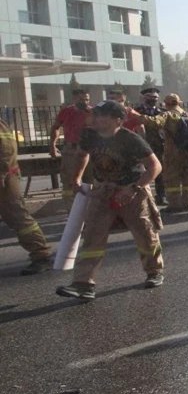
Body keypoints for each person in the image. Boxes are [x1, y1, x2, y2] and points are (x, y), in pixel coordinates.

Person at [56, 100, 164, 300]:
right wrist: (76, 178)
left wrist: (134, 188)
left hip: (131, 190)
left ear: (118, 120)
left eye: (102, 116)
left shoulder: (131, 139)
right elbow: (82, 155)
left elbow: (155, 166)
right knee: (92, 235)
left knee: (145, 233)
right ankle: (83, 284)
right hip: (103, 190)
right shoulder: (89, 135)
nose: (96, 119)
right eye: (96, 115)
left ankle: (154, 271)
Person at [0, 117, 53, 275]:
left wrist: (2, 173)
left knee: (17, 216)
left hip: (5, 177)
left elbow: (8, 149)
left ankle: (41, 255)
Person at [154, 93, 188, 212]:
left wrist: (136, 115)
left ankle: (174, 204)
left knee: (171, 179)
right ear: (179, 103)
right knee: (187, 179)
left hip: (173, 152)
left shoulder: (167, 114)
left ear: (167, 104)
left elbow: (154, 122)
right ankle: (186, 203)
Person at [49, 88, 92, 203]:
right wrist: (52, 145)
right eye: (81, 99)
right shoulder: (66, 111)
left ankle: (89, 208)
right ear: (74, 99)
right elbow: (55, 128)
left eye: (87, 99)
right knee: (69, 181)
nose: (84, 102)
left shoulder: (93, 113)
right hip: (71, 150)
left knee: (91, 180)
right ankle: (71, 209)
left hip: (89, 151)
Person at [131, 86, 167, 205]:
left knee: (159, 171)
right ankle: (141, 196)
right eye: (150, 97)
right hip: (141, 145)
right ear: (144, 98)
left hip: (158, 145)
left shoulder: (162, 112)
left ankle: (161, 195)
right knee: (140, 171)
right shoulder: (136, 112)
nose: (153, 100)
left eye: (155, 98)